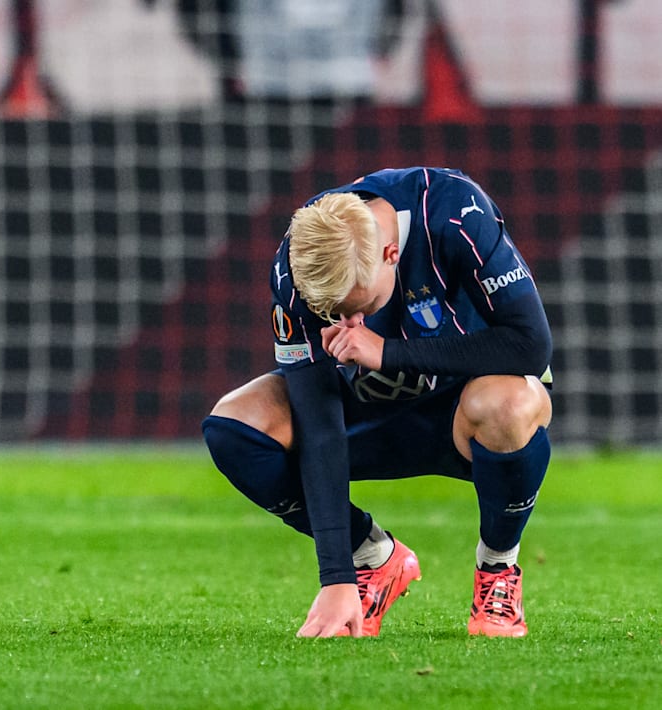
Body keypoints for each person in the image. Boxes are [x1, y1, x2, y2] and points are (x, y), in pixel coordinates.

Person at [202, 167, 553, 638]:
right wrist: (337, 576)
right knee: (234, 427)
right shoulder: (301, 261)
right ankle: (373, 556)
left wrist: (388, 352)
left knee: (508, 403)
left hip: (463, 415)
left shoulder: (455, 213)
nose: (348, 324)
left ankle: (497, 568)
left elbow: (531, 346)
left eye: (359, 308)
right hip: (366, 413)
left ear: (392, 254)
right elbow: (318, 422)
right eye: (331, 314)